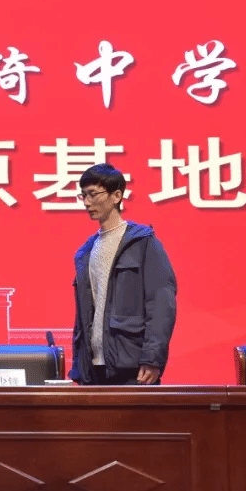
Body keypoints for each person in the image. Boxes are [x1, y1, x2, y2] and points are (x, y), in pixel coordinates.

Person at [70, 164, 177, 385]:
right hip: (93, 369)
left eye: (93, 194)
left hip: (133, 367)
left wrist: (152, 359)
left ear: (116, 196)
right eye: (83, 195)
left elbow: (161, 303)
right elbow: (83, 317)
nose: (87, 202)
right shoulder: (86, 252)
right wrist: (79, 367)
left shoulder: (143, 243)